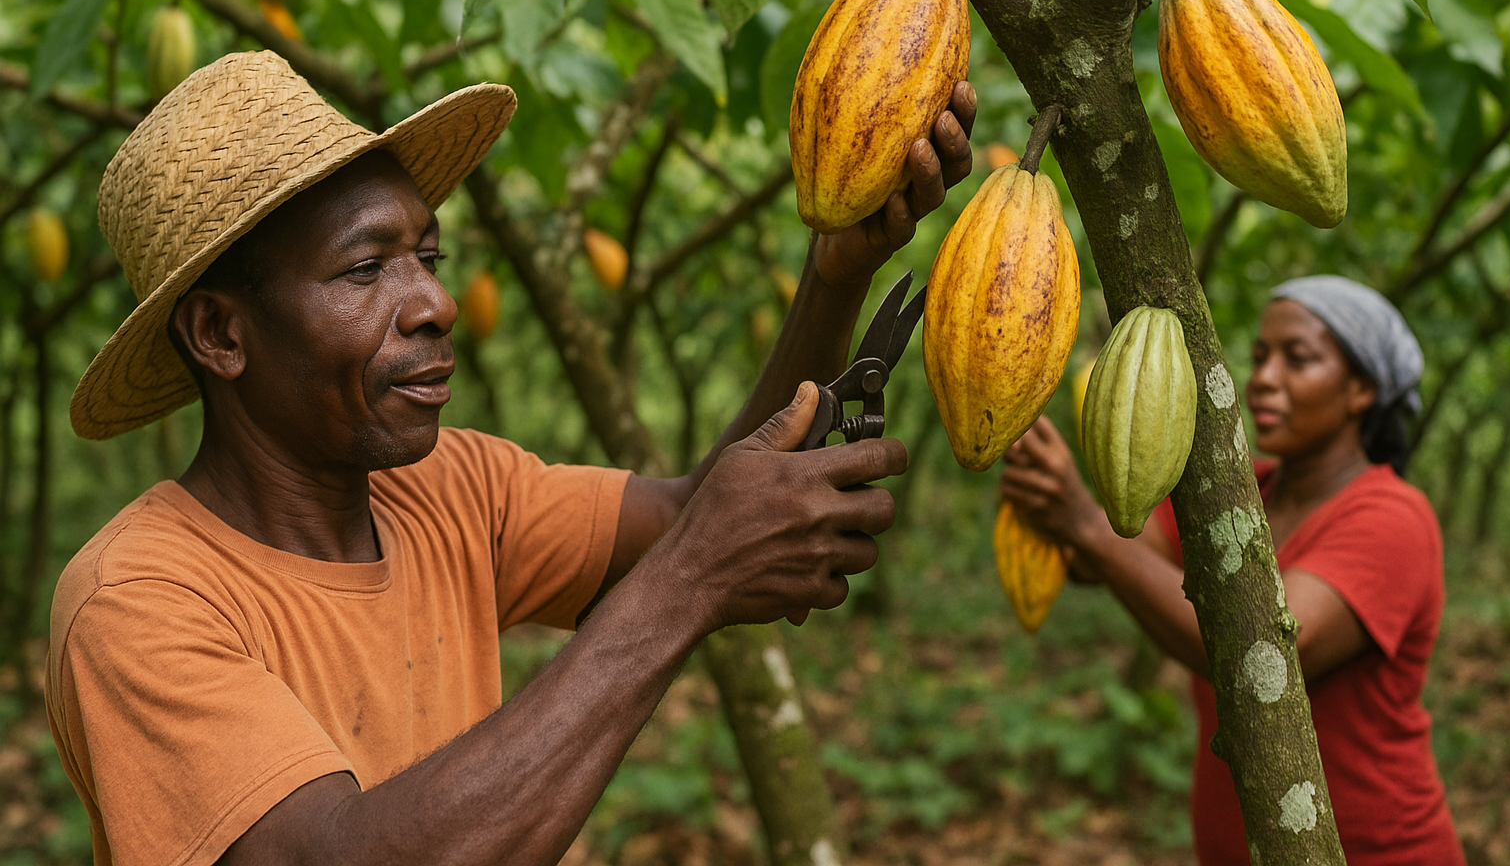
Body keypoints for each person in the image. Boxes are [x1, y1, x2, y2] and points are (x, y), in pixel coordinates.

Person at [45, 50, 977, 866]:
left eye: (429, 255)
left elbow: (697, 513)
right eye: (367, 269)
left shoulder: (449, 489)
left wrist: (834, 271)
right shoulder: (138, 600)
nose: (435, 305)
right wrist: (691, 581)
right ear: (220, 332)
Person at [1000, 276, 1463, 865]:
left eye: (1298, 359)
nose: (1264, 377)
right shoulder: (1242, 496)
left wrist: (1083, 522)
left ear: (1362, 390)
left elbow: (1264, 656)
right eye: (1262, 355)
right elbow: (1117, 553)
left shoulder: (1393, 517)